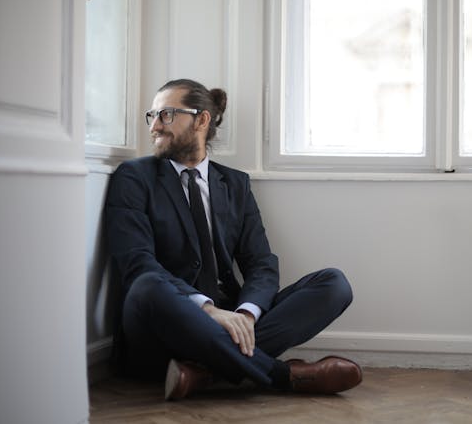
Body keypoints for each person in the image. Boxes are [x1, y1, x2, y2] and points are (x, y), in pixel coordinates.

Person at [105, 78, 362, 400]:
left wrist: (245, 314)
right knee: (147, 285)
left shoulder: (235, 184)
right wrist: (209, 311)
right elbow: (136, 262)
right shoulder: (134, 177)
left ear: (201, 119)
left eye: (167, 114)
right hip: (163, 323)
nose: (155, 125)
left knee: (333, 284)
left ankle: (203, 372)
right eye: (153, 115)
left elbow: (261, 263)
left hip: (231, 316)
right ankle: (281, 375)